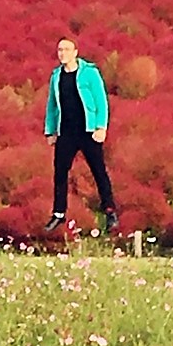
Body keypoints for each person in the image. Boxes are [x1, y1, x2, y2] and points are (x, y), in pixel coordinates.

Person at [42, 37, 116, 234]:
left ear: (75, 52)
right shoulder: (56, 76)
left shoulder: (90, 73)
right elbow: (52, 106)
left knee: (99, 171)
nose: (62, 53)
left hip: (88, 131)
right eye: (59, 50)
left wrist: (101, 127)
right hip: (65, 132)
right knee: (60, 172)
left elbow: (101, 101)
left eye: (66, 50)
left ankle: (110, 211)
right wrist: (50, 131)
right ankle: (58, 213)